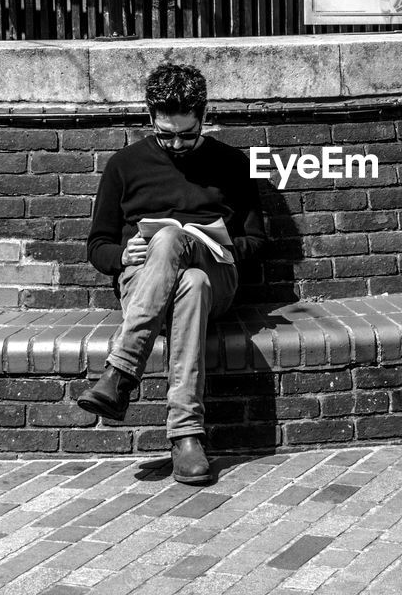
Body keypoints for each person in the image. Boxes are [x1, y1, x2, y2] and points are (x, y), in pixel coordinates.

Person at [79, 63, 266, 486]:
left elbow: (258, 240)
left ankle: (120, 374)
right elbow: (97, 247)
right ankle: (186, 437)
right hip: (146, 282)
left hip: (216, 273)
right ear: (150, 119)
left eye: (187, 133)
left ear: (204, 115)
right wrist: (123, 254)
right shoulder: (124, 165)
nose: (177, 144)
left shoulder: (232, 163)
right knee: (186, 277)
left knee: (179, 250)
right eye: (166, 135)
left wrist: (216, 243)